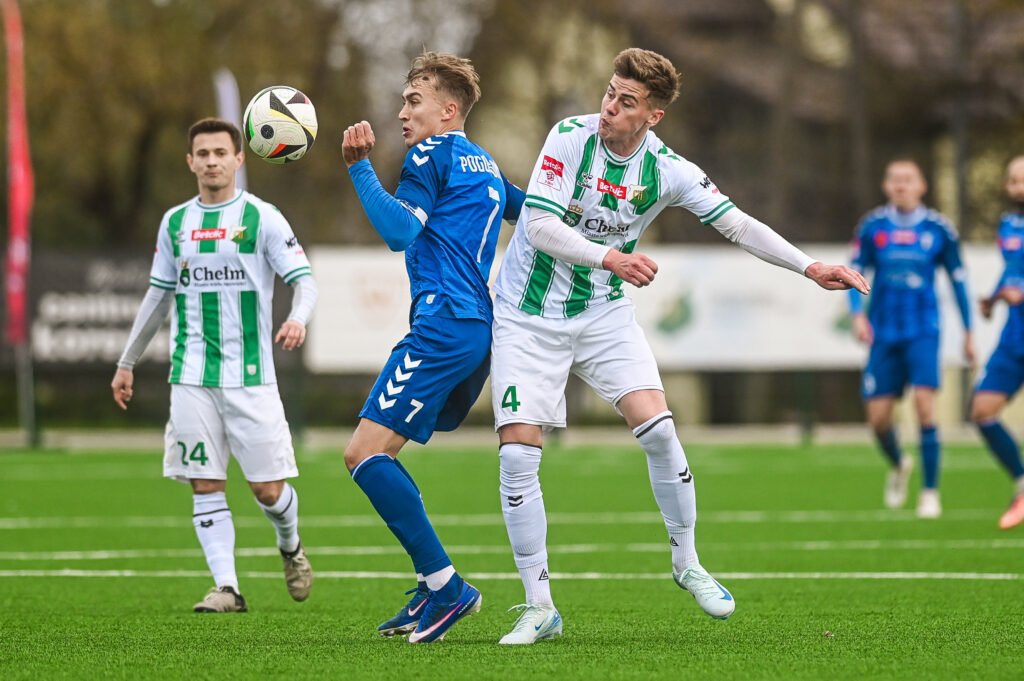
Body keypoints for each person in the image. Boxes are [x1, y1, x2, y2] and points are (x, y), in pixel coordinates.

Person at [489, 47, 869, 645]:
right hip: (525, 315)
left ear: (653, 116)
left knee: (660, 430)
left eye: (627, 102)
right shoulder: (568, 137)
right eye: (610, 93)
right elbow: (537, 227)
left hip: (601, 312)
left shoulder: (668, 170)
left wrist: (809, 266)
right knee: (517, 455)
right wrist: (611, 257)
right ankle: (540, 606)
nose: (610, 107)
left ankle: (687, 562)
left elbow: (737, 223)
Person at [340, 51, 523, 644]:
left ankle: (447, 587)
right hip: (475, 331)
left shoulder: (429, 154)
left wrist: (359, 167)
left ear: (448, 110)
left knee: (362, 455)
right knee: (384, 453)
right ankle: (429, 583)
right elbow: (533, 214)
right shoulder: (487, 165)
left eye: (413, 101)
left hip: (443, 325)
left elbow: (400, 231)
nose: (402, 112)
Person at [111, 118, 318, 613]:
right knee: (204, 482)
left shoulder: (263, 217)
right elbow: (157, 297)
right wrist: (127, 361)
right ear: (190, 162)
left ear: (239, 159)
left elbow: (304, 280)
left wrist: (297, 318)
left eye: (220, 153)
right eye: (202, 154)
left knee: (267, 491)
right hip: (191, 374)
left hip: (251, 377)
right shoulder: (175, 223)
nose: (211, 161)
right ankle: (227, 587)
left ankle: (290, 545)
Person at [849, 159, 974, 519]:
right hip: (884, 332)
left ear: (922, 186)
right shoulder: (873, 226)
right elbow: (854, 271)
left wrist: (968, 331)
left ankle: (930, 492)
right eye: (894, 179)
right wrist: (858, 315)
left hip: (923, 330)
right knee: (878, 420)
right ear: (886, 186)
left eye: (908, 179)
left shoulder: (939, 229)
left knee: (924, 406)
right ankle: (900, 462)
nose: (901, 185)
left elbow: (958, 281)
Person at [970, 155, 1024, 530]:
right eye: (1014, 181)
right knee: (982, 409)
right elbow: (1012, 272)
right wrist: (993, 298)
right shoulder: (1008, 225)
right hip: (1014, 337)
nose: (1019, 187)